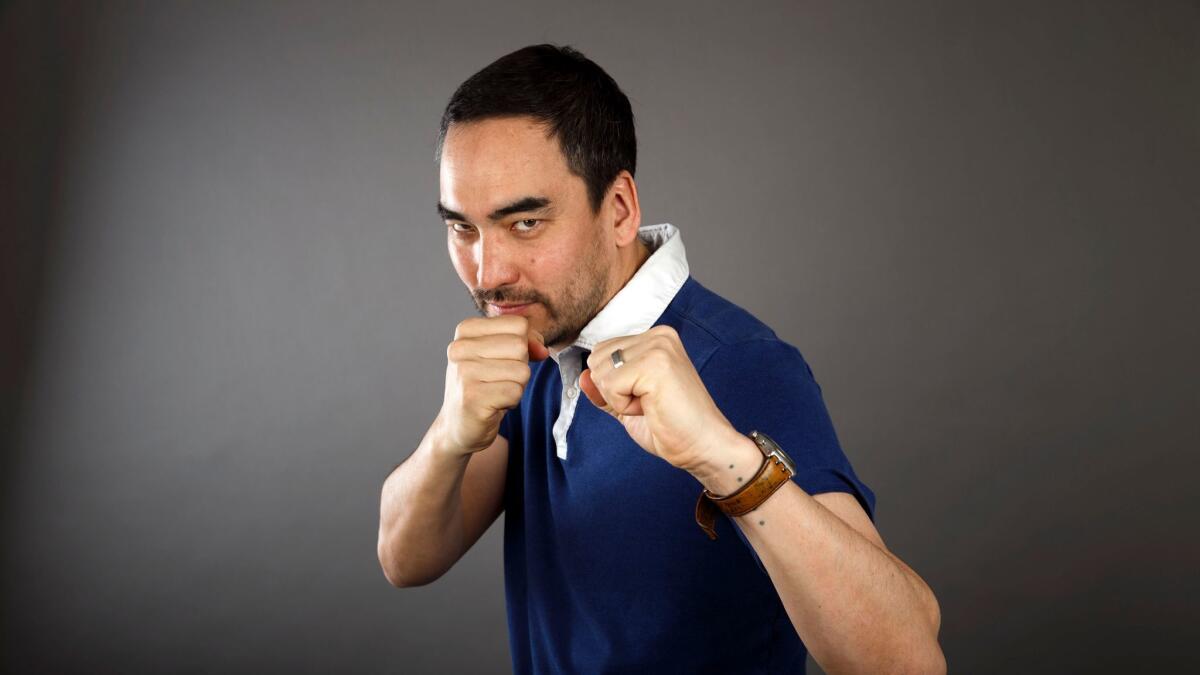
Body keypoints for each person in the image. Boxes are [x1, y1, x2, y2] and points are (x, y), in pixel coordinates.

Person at [377, 43, 945, 674]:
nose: (489, 273)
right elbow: (406, 559)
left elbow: (907, 660)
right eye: (463, 228)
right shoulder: (533, 341)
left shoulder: (742, 364)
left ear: (618, 209)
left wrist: (719, 457)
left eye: (527, 223)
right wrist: (450, 436)